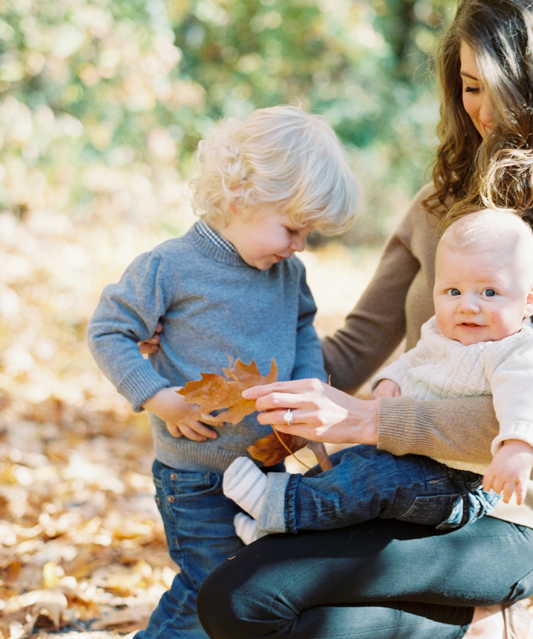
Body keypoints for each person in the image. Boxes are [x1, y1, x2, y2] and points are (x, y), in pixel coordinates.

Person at [196, 0, 533, 637]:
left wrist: (371, 423)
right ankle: (476, 627)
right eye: (469, 87)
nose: (482, 111)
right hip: (388, 488)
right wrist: (225, 362)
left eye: (499, 90)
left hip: (504, 516)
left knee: (250, 598)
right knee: (257, 604)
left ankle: (483, 611)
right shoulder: (439, 203)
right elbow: (353, 348)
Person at [87, 104, 359, 639]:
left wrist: (307, 392)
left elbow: (303, 327)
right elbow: (108, 331)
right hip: (196, 474)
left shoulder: (287, 273)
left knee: (253, 587)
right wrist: (159, 398)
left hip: (268, 467)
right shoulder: (170, 267)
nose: (300, 245)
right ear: (241, 196)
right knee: (208, 587)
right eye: (293, 228)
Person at [223, 207, 533, 545]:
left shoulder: (518, 351)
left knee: (367, 480)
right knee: (345, 463)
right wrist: (389, 382)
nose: (467, 306)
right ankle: (274, 527)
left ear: (529, 300)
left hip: (458, 482)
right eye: (453, 292)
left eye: (489, 292)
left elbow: (526, 399)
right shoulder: (441, 333)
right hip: (412, 455)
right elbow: (412, 361)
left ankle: (281, 507)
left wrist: (517, 448)